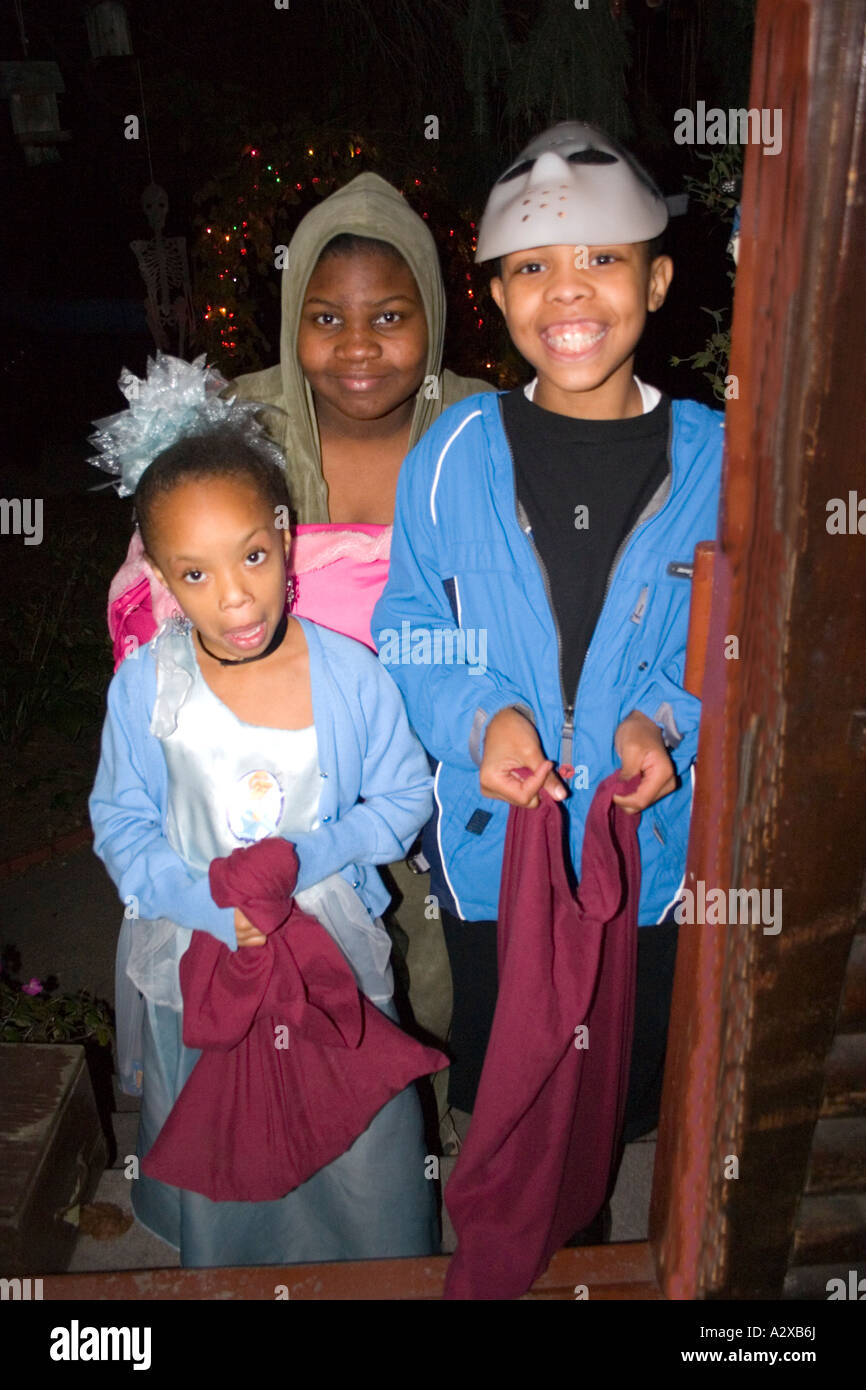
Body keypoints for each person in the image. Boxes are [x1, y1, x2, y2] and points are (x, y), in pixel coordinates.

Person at [373, 122, 725, 1155]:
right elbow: (406, 622)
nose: (565, 293)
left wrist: (666, 722)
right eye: (531, 267)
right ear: (492, 292)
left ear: (656, 282)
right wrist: (480, 718)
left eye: (601, 260)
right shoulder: (453, 453)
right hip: (494, 861)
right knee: (517, 1090)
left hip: (645, 859)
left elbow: (733, 645)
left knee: (621, 1086)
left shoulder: (716, 461)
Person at [88, 355, 439, 1266]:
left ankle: (375, 1262)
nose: (235, 596)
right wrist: (210, 902)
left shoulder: (349, 672)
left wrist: (310, 858)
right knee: (224, 1118)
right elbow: (120, 822)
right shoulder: (146, 688)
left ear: (284, 532)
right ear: (161, 575)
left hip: (326, 936)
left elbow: (402, 795)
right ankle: (237, 1264)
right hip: (206, 950)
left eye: (250, 554)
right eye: (194, 575)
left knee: (356, 1127)